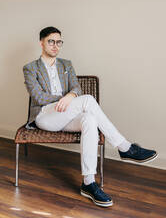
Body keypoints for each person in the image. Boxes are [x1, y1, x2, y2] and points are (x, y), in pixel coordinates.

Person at [23, 26, 157, 208]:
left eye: (59, 42)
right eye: (51, 41)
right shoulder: (30, 68)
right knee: (87, 100)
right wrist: (66, 97)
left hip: (66, 116)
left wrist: (71, 96)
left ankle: (88, 182)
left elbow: (76, 88)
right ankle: (125, 147)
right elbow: (38, 96)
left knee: (90, 119)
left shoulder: (66, 64)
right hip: (45, 116)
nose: (56, 46)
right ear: (42, 43)